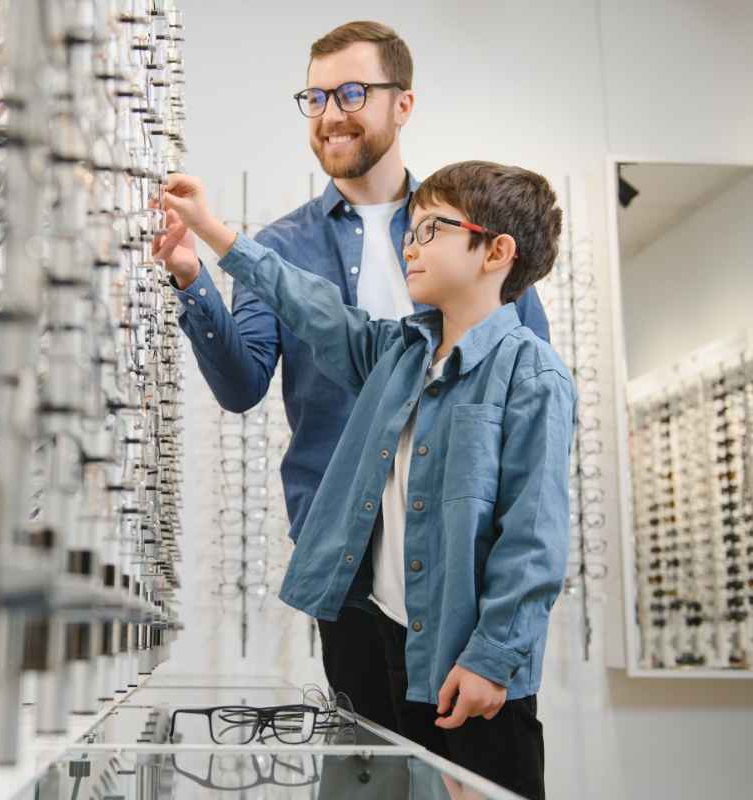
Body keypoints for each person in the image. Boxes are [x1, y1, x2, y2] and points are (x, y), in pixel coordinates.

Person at [161, 21, 550, 732]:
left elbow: (530, 414)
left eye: (350, 92)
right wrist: (195, 275)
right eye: (314, 96)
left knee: (471, 759)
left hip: (462, 559)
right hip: (344, 558)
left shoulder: (472, 229)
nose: (330, 114)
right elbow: (246, 381)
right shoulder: (282, 245)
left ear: (402, 104)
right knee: (368, 763)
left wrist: (505, 626)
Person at [157, 161, 573, 800]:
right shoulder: (398, 353)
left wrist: (493, 659)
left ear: (497, 251)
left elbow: (533, 541)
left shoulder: (532, 374)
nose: (410, 243)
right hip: (399, 646)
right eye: (410, 228)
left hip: (476, 666)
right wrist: (213, 233)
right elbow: (309, 305)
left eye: (432, 229)